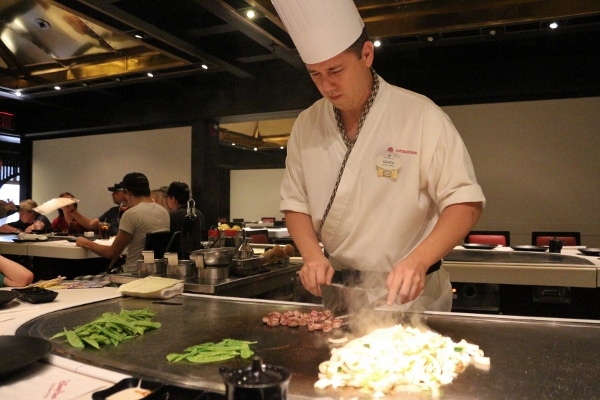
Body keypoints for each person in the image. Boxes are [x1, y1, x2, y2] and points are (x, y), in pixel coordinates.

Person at [273, 0, 485, 312]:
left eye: (336, 70)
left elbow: (464, 202)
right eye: (315, 74)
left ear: (367, 54)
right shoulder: (307, 123)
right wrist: (312, 256)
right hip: (342, 296)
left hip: (412, 296)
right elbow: (296, 204)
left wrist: (419, 260)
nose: (327, 85)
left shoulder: (420, 114)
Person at [76, 172, 170, 274]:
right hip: (155, 273)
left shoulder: (132, 214)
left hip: (132, 275)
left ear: (127, 192)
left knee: (77, 278)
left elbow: (112, 253)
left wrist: (85, 243)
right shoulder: (164, 212)